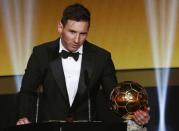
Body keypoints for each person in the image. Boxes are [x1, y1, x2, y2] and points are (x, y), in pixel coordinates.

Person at [16, 3, 150, 127]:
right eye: (72, 32)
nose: (76, 40)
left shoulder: (101, 57)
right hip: (51, 127)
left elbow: (112, 97)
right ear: (60, 27)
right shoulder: (41, 54)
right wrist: (23, 116)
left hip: (88, 127)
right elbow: (27, 91)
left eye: (83, 34)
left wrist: (134, 115)